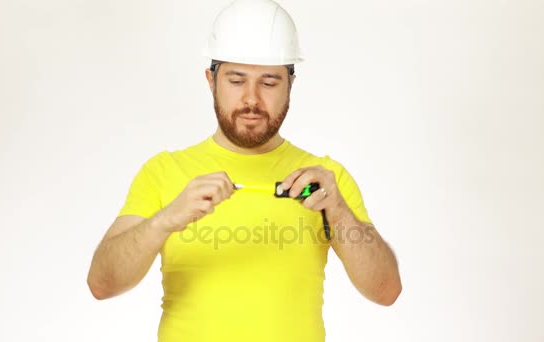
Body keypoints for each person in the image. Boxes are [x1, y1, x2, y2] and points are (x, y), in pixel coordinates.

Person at [87, 0, 401, 341]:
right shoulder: (164, 171)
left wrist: (339, 213)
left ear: (290, 84)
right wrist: (166, 220)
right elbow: (102, 284)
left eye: (268, 83)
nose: (251, 99)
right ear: (211, 80)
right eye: (236, 80)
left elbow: (386, 290)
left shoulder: (325, 180)